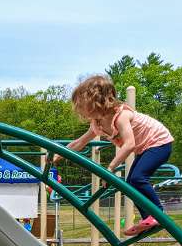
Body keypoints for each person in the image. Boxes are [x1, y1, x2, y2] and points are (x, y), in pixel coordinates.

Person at [55, 75, 174, 236]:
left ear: (95, 101)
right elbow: (80, 142)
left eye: (81, 105)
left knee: (138, 178)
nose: (80, 110)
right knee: (131, 183)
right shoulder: (97, 122)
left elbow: (129, 144)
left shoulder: (121, 116)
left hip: (159, 143)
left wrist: (110, 168)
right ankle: (148, 219)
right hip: (145, 148)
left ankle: (158, 213)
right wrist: (61, 153)